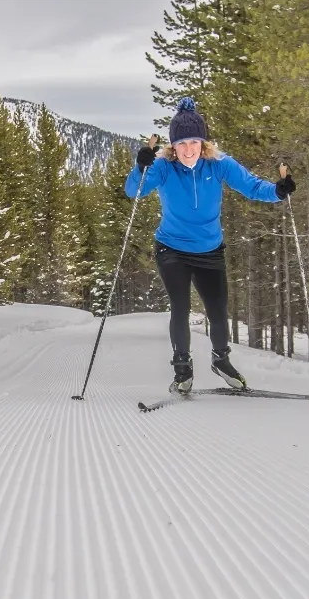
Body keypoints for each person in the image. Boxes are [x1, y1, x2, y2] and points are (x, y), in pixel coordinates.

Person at [125, 97, 296, 394]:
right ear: (173, 147)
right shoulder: (164, 166)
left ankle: (221, 360)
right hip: (172, 248)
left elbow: (253, 187)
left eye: (194, 142)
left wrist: (278, 191)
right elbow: (134, 191)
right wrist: (140, 166)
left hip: (209, 250)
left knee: (218, 311)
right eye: (182, 144)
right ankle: (182, 369)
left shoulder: (219, 164)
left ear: (203, 143)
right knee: (180, 305)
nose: (188, 149)